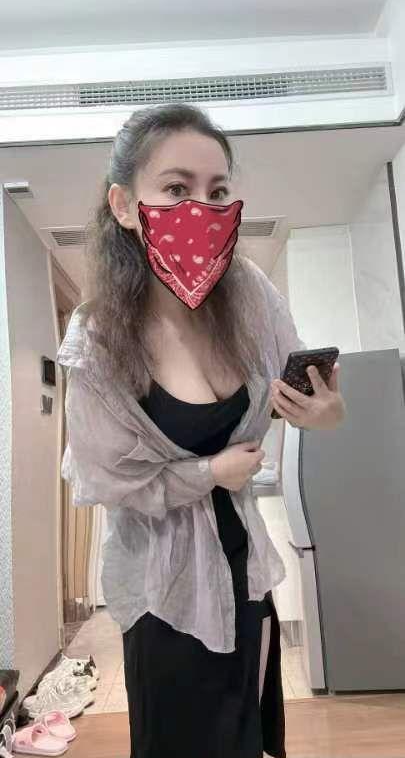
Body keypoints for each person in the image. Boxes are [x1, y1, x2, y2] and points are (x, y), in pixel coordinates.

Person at [57, 103, 345, 758]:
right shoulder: (98, 339)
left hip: (245, 573)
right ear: (125, 205)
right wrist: (209, 473)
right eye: (175, 189)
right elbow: (104, 481)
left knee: (245, 739)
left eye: (217, 192)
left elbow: (301, 386)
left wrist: (325, 412)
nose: (202, 209)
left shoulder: (247, 294)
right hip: (163, 592)